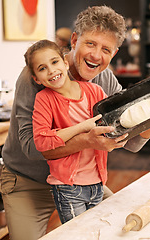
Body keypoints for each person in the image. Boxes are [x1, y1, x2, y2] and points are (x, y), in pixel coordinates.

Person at [1, 6, 150, 240]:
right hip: (29, 183)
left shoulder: (104, 80)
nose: (96, 55)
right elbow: (32, 149)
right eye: (91, 44)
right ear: (74, 40)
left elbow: (131, 144)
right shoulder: (37, 76)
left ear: (114, 53)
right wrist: (85, 141)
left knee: (119, 232)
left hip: (82, 183)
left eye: (106, 49)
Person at [26, 39, 109, 223]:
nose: (51, 71)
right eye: (42, 68)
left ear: (65, 63)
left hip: (97, 182)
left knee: (97, 232)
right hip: (68, 187)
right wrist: (82, 127)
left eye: (54, 62)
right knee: (78, 235)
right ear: (37, 79)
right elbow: (41, 141)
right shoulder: (44, 99)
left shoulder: (95, 91)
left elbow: (114, 116)